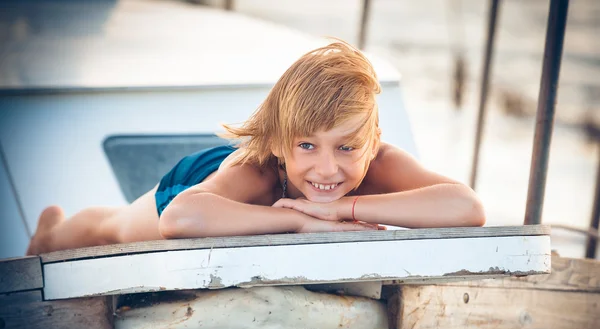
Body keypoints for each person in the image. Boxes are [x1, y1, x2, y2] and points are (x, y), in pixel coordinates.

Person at [26, 41, 485, 255]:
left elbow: (465, 206)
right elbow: (180, 219)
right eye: (308, 145)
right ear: (285, 145)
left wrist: (343, 210)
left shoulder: (379, 161)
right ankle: (52, 231)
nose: (328, 168)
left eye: (347, 148)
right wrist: (299, 224)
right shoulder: (262, 166)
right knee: (117, 227)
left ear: (371, 143)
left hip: (246, 193)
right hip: (210, 189)